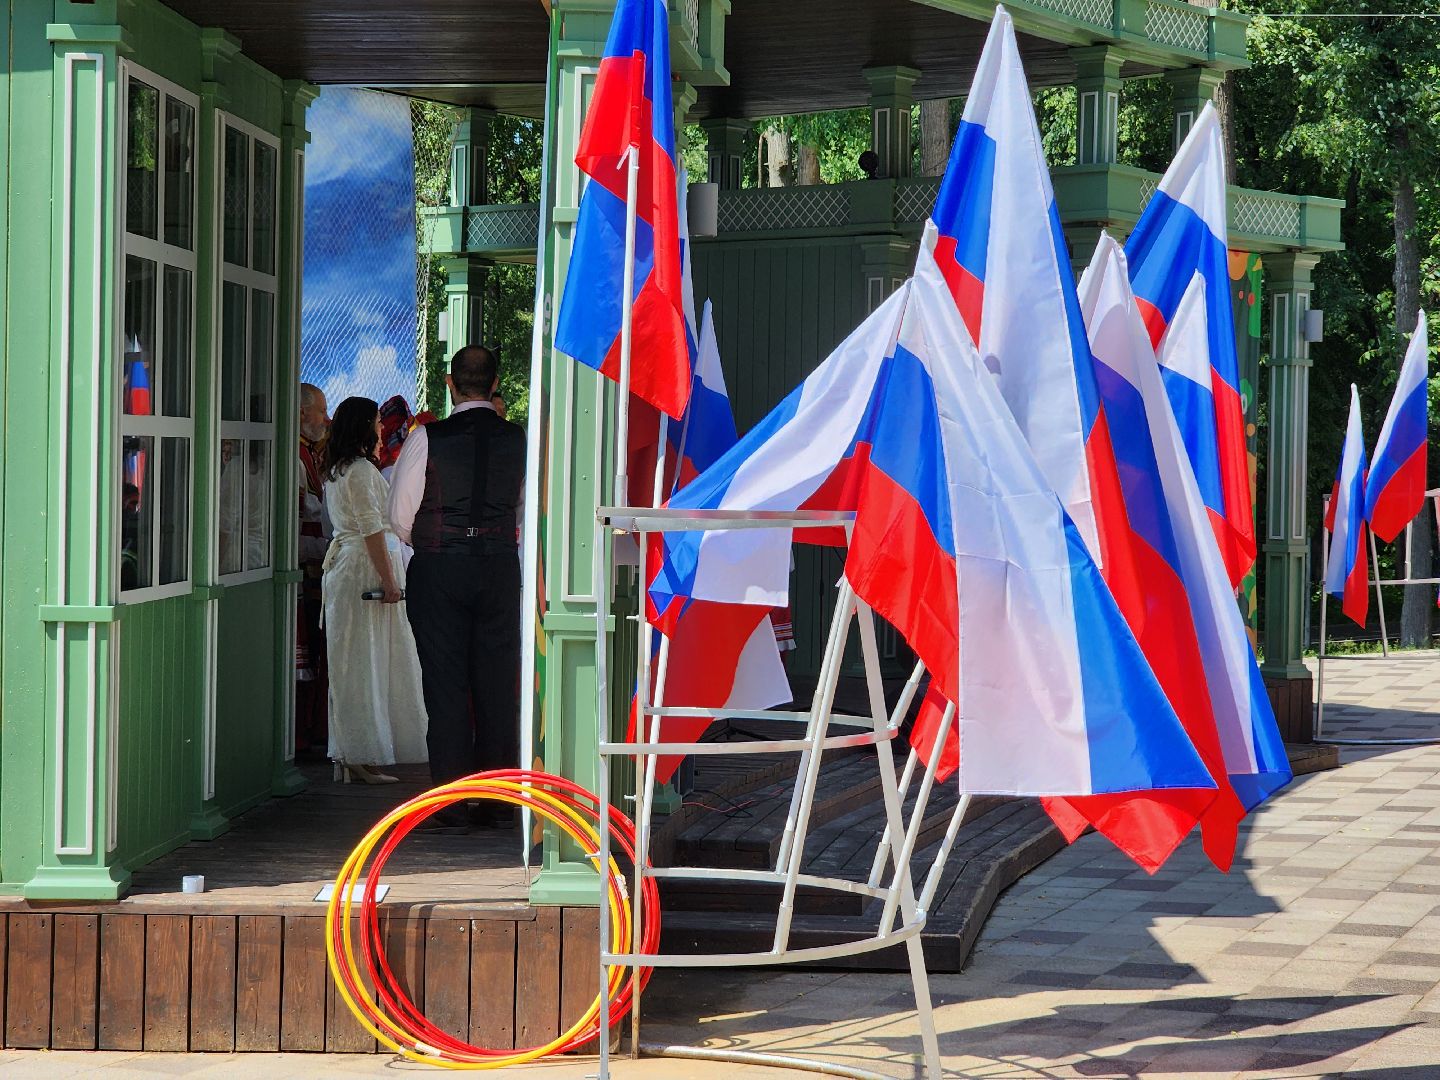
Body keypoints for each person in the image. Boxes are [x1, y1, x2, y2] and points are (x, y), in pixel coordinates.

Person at [389, 346, 525, 825]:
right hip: (497, 566)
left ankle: (450, 800)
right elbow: (522, 508)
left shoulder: (426, 438)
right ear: (495, 383)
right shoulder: (517, 438)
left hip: (440, 567)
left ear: (450, 384)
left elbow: (399, 516)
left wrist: (435, 541)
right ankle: (497, 797)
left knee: (445, 683)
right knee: (496, 682)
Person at [321, 397, 429, 782]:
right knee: (367, 660)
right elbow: (371, 531)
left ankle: (352, 751)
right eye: (377, 424)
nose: (382, 430)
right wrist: (389, 581)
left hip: (345, 567)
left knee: (351, 660)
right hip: (364, 570)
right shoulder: (363, 471)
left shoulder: (337, 470)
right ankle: (361, 753)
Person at [296, 384, 331, 759]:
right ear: (303, 412)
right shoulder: (294, 455)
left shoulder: (308, 453)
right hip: (301, 566)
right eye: (321, 410)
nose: (326, 418)